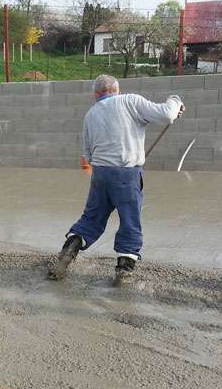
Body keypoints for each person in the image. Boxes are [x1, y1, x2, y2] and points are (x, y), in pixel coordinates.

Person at [48, 74, 184, 286]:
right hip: (126, 174)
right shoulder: (131, 101)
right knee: (130, 221)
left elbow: (88, 154)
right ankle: (124, 271)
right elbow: (167, 115)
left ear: (96, 94)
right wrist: (175, 101)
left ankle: (68, 251)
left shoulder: (91, 114)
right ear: (117, 90)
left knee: (91, 219)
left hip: (100, 173)